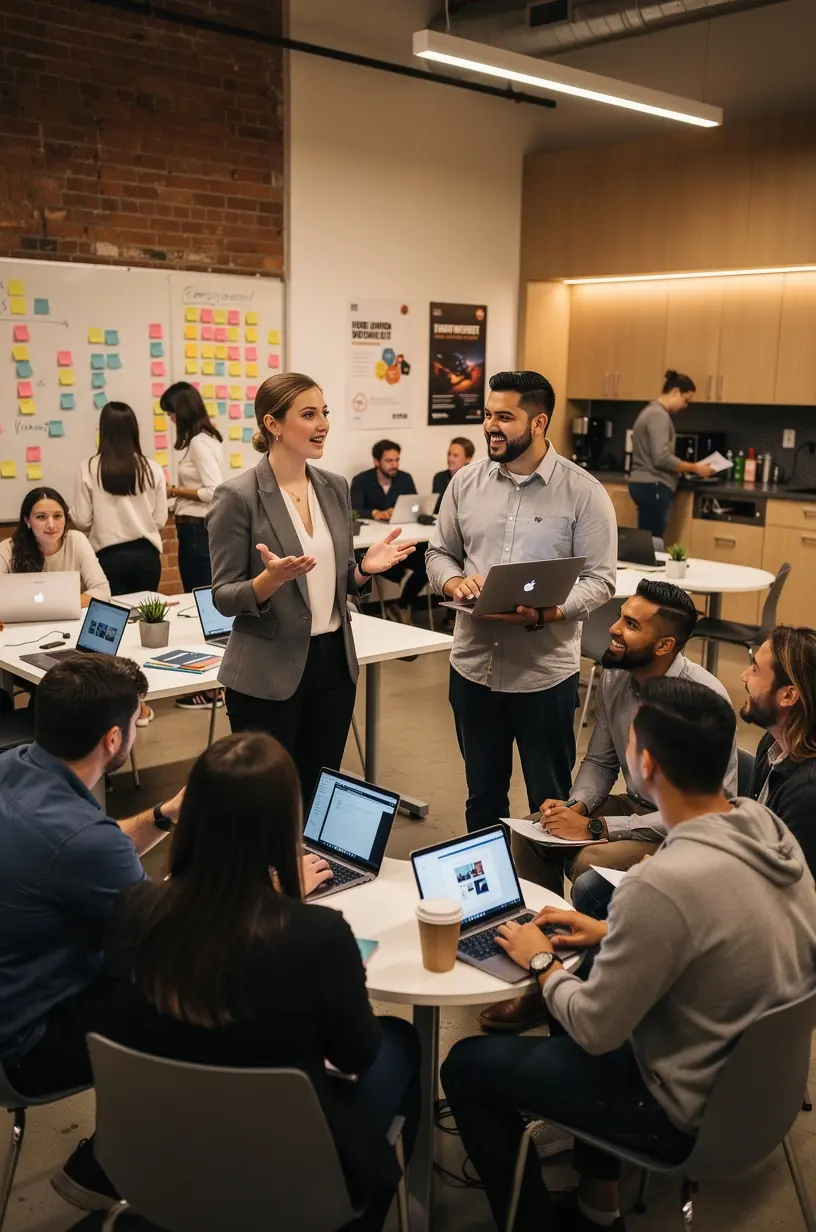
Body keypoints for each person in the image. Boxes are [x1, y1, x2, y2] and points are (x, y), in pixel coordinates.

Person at [442, 677, 816, 1232]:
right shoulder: (766, 828)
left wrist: (541, 959)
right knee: (593, 962)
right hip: (761, 1088)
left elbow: (596, 1028)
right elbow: (716, 929)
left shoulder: (658, 884)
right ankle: (598, 1207)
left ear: (645, 764)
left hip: (680, 1108)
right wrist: (604, 932)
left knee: (467, 1067)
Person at [99, 730, 420, 1231]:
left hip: (157, 1155)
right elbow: (357, 1053)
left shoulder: (134, 908)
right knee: (401, 1042)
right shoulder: (318, 937)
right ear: (285, 827)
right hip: (292, 1172)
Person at [479, 578, 739, 1033]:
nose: (613, 629)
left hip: (682, 828)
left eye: (630, 624)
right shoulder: (615, 675)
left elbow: (711, 806)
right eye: (620, 616)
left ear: (665, 644)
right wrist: (577, 808)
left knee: (591, 866)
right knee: (530, 834)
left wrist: (598, 830)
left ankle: (595, 989)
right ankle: (538, 979)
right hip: (638, 802)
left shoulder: (704, 698)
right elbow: (600, 760)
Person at [0, 654, 185, 1208]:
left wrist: (164, 815)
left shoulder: (13, 767)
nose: (140, 722)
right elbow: (173, 936)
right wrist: (266, 883)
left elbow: (77, 855)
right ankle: (114, 1166)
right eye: (139, 715)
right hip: (25, 1046)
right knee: (194, 994)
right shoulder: (86, 841)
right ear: (113, 738)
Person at [207, 372, 415, 808]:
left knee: (320, 789)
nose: (322, 423)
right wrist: (269, 580)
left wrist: (362, 571)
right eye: (308, 414)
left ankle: (311, 872)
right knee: (266, 800)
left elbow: (338, 579)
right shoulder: (237, 496)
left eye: (324, 413)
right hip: (266, 670)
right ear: (273, 424)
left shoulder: (333, 487)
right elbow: (224, 597)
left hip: (332, 665)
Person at [426, 370, 617, 833]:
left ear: (538, 422)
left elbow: (601, 580)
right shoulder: (464, 483)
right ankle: (491, 900)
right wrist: (454, 584)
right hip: (473, 669)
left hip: (544, 677)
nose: (491, 425)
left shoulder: (583, 492)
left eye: (504, 416)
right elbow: (438, 553)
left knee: (549, 806)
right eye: (488, 414)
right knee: (482, 798)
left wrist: (550, 612)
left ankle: (547, 903)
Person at [572, 623, 816, 930]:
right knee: (598, 888)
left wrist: (680, 874)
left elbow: (779, 897)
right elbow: (746, 838)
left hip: (756, 922)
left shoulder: (807, 793)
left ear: (788, 695)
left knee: (603, 894)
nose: (743, 676)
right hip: (733, 877)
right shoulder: (774, 744)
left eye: (754, 669)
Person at [70, 401, 168, 598]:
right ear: (135, 430)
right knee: (146, 617)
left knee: (113, 618)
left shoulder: (89, 467)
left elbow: (81, 520)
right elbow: (160, 520)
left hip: (108, 557)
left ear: (103, 431)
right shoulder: (152, 468)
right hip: (147, 556)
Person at [628, 370, 716, 539]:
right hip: (653, 485)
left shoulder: (649, 412)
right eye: (686, 400)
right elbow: (661, 458)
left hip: (644, 484)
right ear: (675, 392)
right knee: (652, 542)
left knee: (647, 539)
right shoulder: (658, 415)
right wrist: (695, 468)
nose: (686, 405)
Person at [351, 440, 428, 622]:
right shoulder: (361, 480)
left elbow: (414, 505)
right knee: (362, 564)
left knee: (428, 562)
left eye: (397, 460)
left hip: (401, 541)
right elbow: (352, 510)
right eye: (389, 461)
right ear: (376, 462)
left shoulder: (405, 478)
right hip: (372, 547)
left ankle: (401, 604)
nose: (394, 465)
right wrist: (375, 513)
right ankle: (364, 617)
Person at [160, 381, 224, 592]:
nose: (171, 419)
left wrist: (174, 491)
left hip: (196, 528)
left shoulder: (199, 442)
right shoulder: (206, 439)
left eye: (172, 413)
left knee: (198, 591)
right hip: (194, 527)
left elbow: (213, 490)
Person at [0, 487, 110, 605]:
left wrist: (56, 605)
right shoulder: (7, 549)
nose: (51, 525)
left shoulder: (76, 541)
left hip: (69, 620)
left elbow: (102, 592)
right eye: (41, 517)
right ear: (27, 520)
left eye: (57, 516)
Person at [433, 436, 475, 510]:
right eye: (449, 454)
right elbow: (436, 508)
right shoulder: (439, 477)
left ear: (468, 459)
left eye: (455, 455)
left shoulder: (475, 478)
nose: (450, 459)